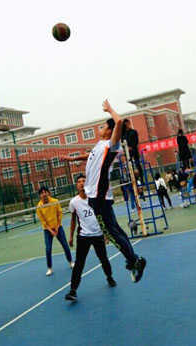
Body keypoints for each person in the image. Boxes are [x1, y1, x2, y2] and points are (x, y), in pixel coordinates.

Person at [61, 100, 146, 283]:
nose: (101, 128)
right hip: (97, 196)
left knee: (109, 233)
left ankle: (134, 261)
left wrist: (110, 109)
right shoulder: (100, 145)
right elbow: (90, 156)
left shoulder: (112, 144)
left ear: (109, 131)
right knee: (116, 230)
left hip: (98, 196)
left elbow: (119, 121)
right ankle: (134, 259)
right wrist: (73, 159)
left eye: (103, 126)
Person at [65, 175, 115, 302]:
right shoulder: (74, 202)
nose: (82, 183)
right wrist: (70, 236)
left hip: (98, 234)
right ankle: (73, 290)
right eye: (79, 182)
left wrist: (105, 233)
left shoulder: (95, 199)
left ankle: (109, 276)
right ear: (76, 186)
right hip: (83, 236)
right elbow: (73, 220)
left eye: (84, 181)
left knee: (103, 258)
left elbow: (103, 216)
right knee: (79, 264)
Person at [36, 186, 73, 276]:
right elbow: (43, 221)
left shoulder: (55, 201)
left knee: (65, 245)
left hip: (58, 227)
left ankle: (71, 262)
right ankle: (49, 268)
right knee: (48, 249)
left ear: (48, 193)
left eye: (45, 192)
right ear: (40, 195)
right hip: (47, 230)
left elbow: (59, 214)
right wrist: (50, 231)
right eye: (42, 193)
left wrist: (57, 227)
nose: (44, 194)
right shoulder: (39, 206)